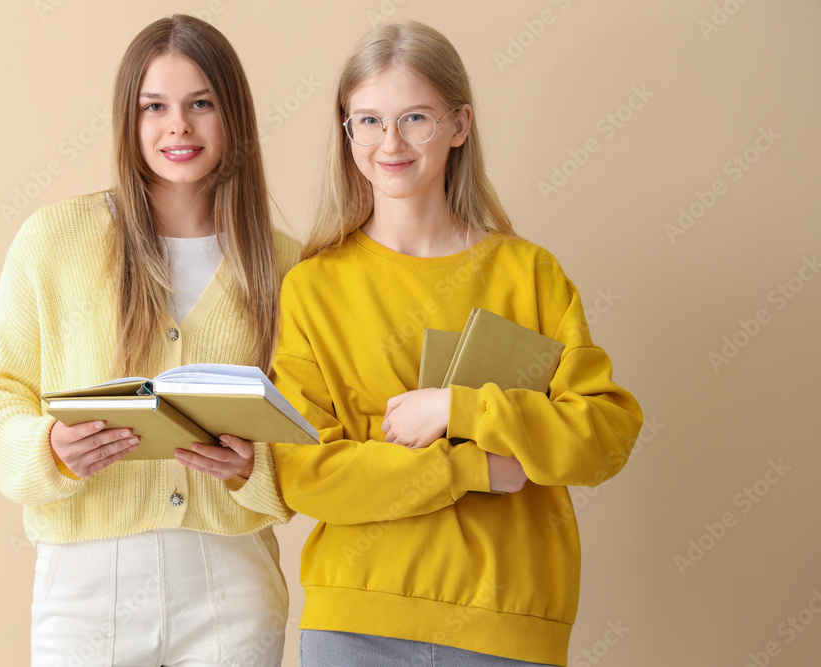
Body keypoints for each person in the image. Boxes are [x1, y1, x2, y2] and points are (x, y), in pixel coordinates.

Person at [266, 21, 644, 667]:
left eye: (415, 117)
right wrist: (472, 467)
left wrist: (460, 409)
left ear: (459, 124)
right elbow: (305, 474)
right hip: (353, 624)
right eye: (368, 120)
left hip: (506, 623)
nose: (390, 143)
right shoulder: (312, 286)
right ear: (346, 130)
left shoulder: (530, 274)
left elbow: (605, 436)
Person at [0, 15, 297, 667]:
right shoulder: (55, 239)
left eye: (202, 103)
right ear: (128, 120)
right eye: (155, 107)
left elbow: (317, 427)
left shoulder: (285, 266)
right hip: (86, 584)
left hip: (232, 580)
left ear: (235, 117)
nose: (179, 127)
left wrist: (256, 468)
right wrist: (48, 447)